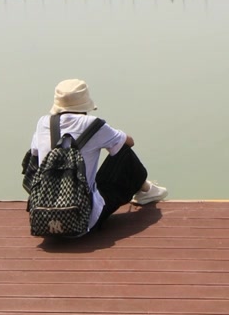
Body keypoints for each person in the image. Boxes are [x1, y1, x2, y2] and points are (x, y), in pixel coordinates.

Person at [28, 78, 167, 234]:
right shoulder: (94, 124)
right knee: (124, 150)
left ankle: (45, 205)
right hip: (84, 219)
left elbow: (33, 157)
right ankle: (147, 190)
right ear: (84, 103)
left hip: (43, 214)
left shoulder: (43, 123)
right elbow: (130, 142)